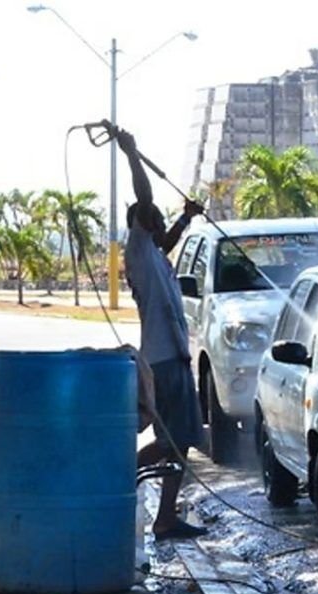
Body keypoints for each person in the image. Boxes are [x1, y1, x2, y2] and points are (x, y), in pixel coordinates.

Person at [117, 126, 208, 540]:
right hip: (164, 361)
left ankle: (165, 516)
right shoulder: (137, 251)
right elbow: (147, 197)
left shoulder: (155, 254)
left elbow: (167, 240)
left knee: (180, 441)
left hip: (174, 360)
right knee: (175, 439)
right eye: (147, 213)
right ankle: (118, 473)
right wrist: (132, 154)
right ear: (139, 222)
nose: (154, 214)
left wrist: (186, 218)